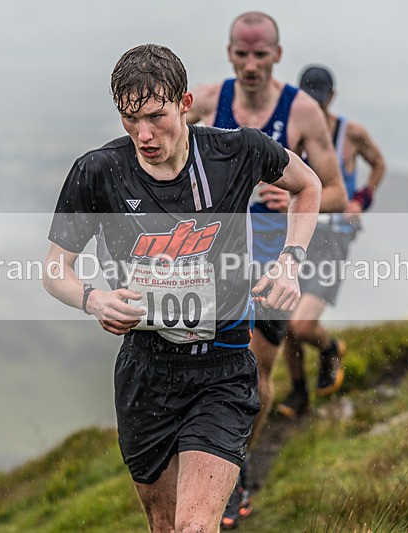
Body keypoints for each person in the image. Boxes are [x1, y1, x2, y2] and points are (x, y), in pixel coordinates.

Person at [43, 44, 320, 533]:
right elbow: (54, 269)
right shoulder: (98, 172)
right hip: (146, 370)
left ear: (185, 103)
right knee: (165, 525)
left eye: (155, 116)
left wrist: (290, 263)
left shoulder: (237, 152)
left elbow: (309, 185)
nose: (144, 135)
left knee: (196, 527)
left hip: (223, 367)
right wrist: (93, 299)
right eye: (130, 120)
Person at [187, 12, 346, 528]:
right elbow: (158, 154)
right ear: (229, 52)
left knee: (254, 375)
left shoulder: (301, 111)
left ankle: (237, 469)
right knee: (206, 371)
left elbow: (338, 194)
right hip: (214, 259)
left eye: (261, 54)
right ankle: (217, 469)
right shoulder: (208, 102)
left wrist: (290, 196)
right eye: (242, 54)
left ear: (278, 54)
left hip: (274, 266)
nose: (251, 64)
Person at [277, 65, 387, 417]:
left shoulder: (350, 133)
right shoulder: (292, 131)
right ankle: (298, 393)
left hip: (333, 237)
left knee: (301, 324)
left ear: (332, 99)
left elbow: (379, 164)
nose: (316, 110)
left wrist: (362, 199)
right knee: (285, 321)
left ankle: (330, 347)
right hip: (296, 234)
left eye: (321, 103)